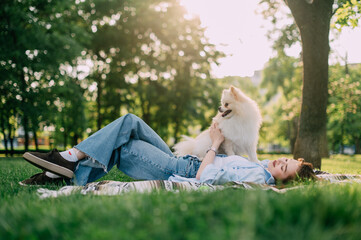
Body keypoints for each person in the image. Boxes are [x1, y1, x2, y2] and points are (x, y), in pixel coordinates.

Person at [20, 113, 316, 186]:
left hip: (176, 169)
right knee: (130, 121)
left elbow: (204, 178)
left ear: (281, 181)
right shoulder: (261, 165)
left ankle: (64, 165)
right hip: (178, 160)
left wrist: (214, 144)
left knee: (125, 144)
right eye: (286, 159)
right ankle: (64, 167)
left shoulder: (256, 176)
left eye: (284, 167)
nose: (280, 161)